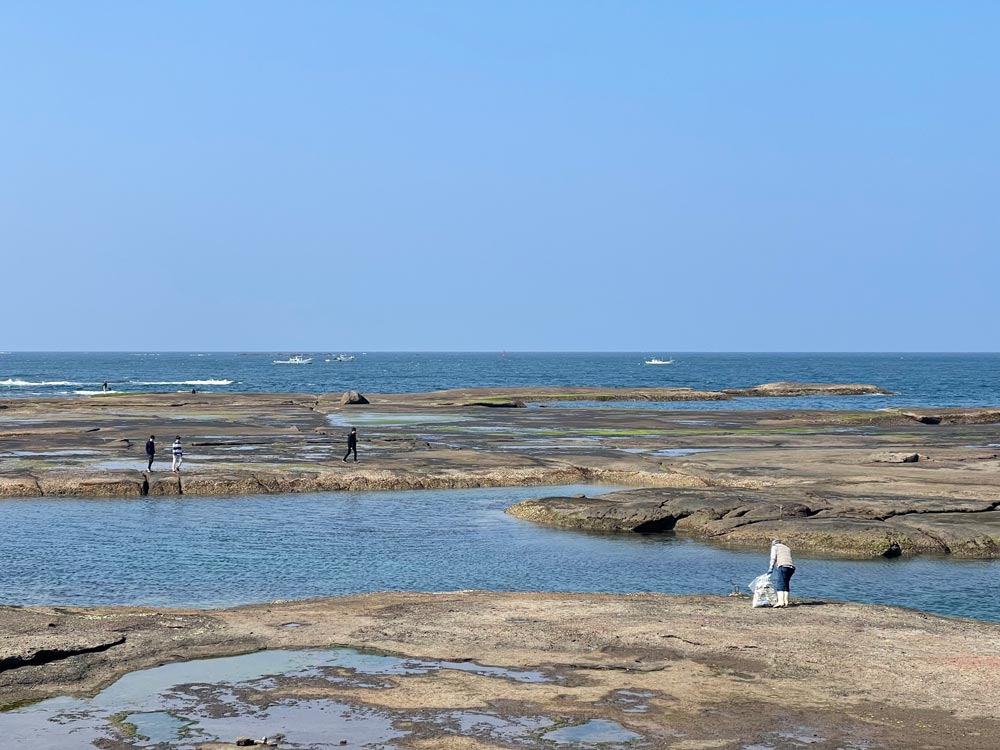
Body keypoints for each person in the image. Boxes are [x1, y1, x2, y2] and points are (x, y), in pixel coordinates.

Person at [768, 539, 796, 607]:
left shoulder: (775, 547)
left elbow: (773, 558)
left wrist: (771, 568)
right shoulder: (787, 548)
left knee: (780, 583)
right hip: (791, 568)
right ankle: (786, 602)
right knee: (786, 584)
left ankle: (780, 602)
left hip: (783, 566)